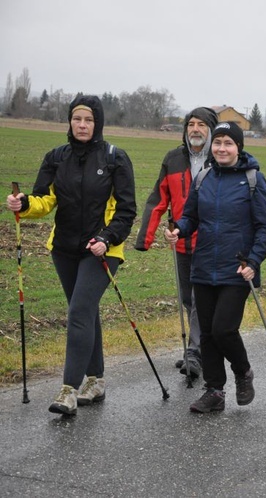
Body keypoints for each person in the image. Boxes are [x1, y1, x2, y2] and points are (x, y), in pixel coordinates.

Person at [6, 95, 136, 415]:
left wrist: (107, 238)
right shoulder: (56, 157)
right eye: (77, 119)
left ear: (98, 123)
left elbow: (126, 209)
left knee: (79, 311)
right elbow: (43, 200)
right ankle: (97, 379)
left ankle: (68, 390)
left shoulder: (115, 158)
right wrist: (24, 205)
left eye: (88, 120)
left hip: (103, 250)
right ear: (69, 122)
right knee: (85, 312)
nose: (82, 125)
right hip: (63, 249)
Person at [165, 121, 266, 413]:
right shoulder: (203, 177)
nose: (222, 148)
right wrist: (179, 229)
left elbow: (264, 228)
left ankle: (243, 371)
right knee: (208, 334)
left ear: (238, 147)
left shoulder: (253, 180)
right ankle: (214, 390)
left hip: (237, 269)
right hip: (203, 267)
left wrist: (253, 261)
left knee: (224, 330)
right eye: (218, 143)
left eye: (228, 143)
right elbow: (191, 217)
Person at [135, 107, 218, 379]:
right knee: (188, 299)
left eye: (201, 125)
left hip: (210, 243)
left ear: (211, 130)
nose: (195, 129)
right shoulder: (173, 159)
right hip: (181, 242)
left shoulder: (220, 159)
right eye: (191, 124)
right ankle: (203, 348)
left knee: (199, 298)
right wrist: (144, 239)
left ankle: (195, 352)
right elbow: (158, 199)